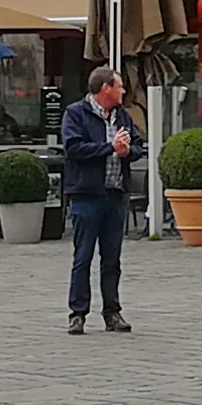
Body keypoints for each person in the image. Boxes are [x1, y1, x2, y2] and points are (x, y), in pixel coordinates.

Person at [57, 67, 138, 337]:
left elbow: (138, 145)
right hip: (86, 195)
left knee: (112, 258)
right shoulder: (76, 113)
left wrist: (128, 151)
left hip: (115, 195)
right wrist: (109, 148)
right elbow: (73, 148)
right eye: (120, 86)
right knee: (83, 256)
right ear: (106, 88)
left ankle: (112, 312)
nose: (123, 91)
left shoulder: (122, 115)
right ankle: (77, 314)